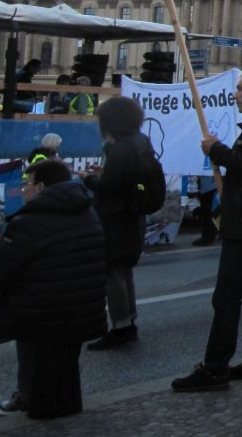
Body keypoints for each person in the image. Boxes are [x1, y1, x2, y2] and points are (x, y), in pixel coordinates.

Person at [172, 68, 242, 392]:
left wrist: (216, 151)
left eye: (241, 89)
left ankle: (215, 368)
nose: (235, 94)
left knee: (226, 298)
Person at [0, 159, 106, 419]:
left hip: (46, 315)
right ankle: (57, 400)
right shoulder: (87, 212)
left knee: (21, 316)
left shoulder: (29, 221)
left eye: (27, 185)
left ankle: (27, 395)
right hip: (86, 311)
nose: (23, 190)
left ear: (41, 187)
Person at [82, 97, 154, 350]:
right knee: (124, 270)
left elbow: (110, 187)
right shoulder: (141, 142)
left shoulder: (120, 148)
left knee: (114, 271)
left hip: (115, 216)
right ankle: (129, 321)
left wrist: (89, 179)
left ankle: (121, 326)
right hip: (133, 214)